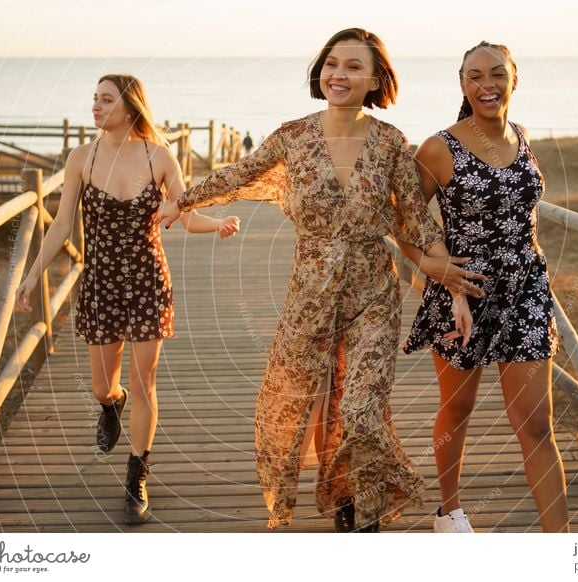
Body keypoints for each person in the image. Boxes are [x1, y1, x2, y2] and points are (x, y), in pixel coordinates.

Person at [159, 28, 484, 532]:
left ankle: (365, 508)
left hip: (373, 295)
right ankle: (344, 495)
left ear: (376, 79)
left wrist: (453, 284)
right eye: (333, 63)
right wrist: (182, 200)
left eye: (354, 66)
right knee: (308, 401)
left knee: (360, 406)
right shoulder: (293, 136)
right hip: (309, 293)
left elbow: (417, 222)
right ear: (320, 71)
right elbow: (240, 173)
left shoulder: (391, 143)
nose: (340, 74)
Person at [15, 74, 239, 524]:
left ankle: (137, 472)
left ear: (130, 106)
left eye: (105, 99)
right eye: (93, 98)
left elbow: (183, 214)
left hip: (148, 281)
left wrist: (217, 224)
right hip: (100, 284)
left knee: (144, 385)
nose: (95, 107)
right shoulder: (82, 157)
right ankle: (107, 405)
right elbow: (61, 227)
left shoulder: (160, 156)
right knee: (105, 385)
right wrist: (30, 274)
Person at [401, 41, 570, 533]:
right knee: (458, 405)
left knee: (536, 425)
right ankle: (449, 511)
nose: (486, 85)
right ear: (462, 85)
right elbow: (403, 218)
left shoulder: (522, 134)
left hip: (526, 291)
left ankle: (561, 548)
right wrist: (435, 270)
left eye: (496, 74)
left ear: (514, 78)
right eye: (474, 76)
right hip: (464, 293)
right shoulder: (439, 147)